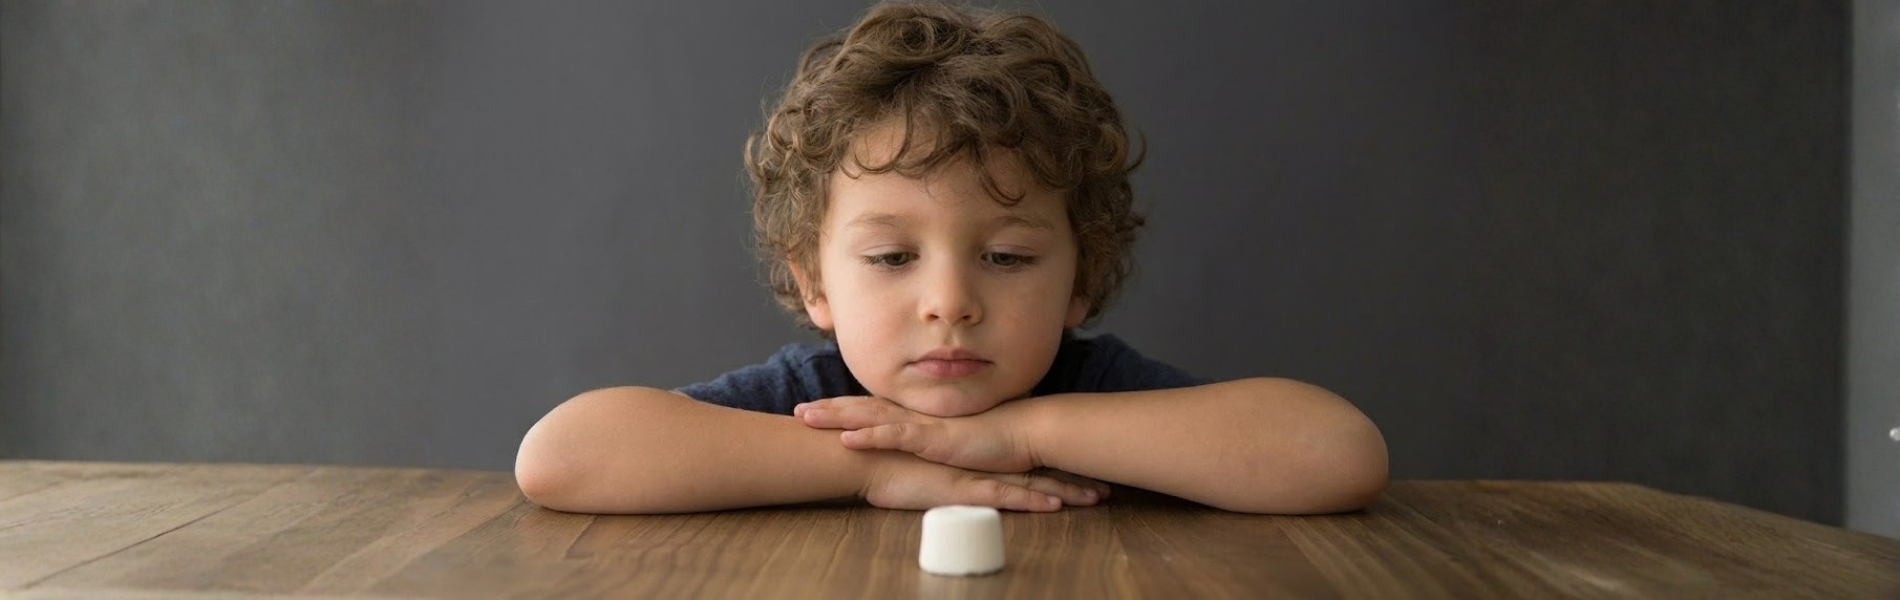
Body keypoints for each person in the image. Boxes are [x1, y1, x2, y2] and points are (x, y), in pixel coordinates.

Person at [514, 1, 1387, 515]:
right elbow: (562, 456)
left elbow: (1334, 451)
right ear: (814, 279)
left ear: (1080, 281)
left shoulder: (1090, 395)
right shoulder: (813, 405)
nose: (949, 302)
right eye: (892, 257)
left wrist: (1019, 435)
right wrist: (888, 469)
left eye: (1007, 257)